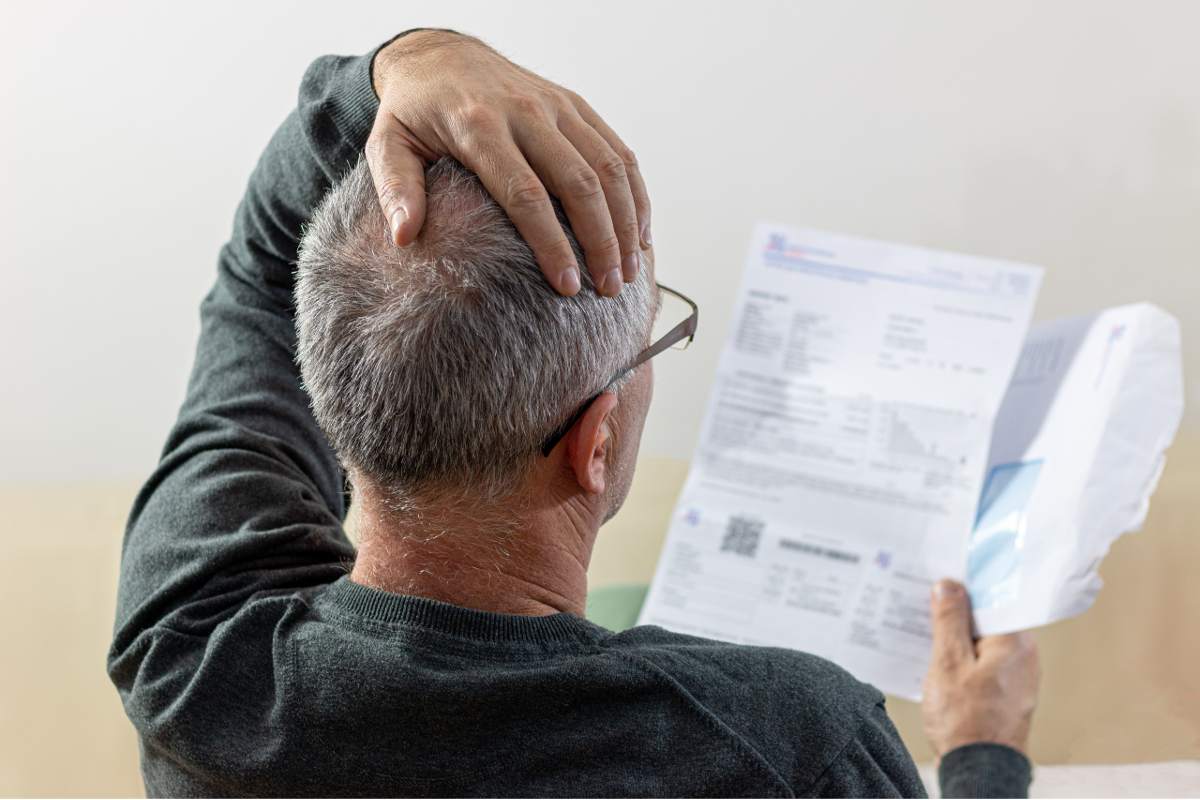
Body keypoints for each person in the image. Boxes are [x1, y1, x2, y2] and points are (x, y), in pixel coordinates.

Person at [108, 28, 1039, 798]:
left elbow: (256, 274)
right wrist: (981, 755)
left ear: (324, 390)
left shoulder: (195, 659)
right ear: (594, 444)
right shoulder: (791, 745)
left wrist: (406, 62)